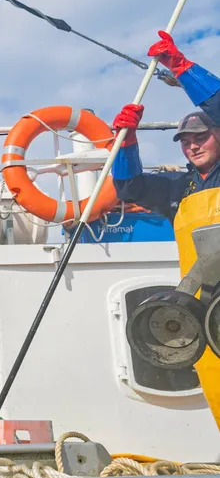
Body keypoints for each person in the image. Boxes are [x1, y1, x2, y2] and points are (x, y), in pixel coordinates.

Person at [110, 30, 220, 433]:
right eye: (185, 141)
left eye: (201, 136)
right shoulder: (181, 187)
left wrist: (183, 68)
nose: (192, 146)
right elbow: (130, 188)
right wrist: (127, 143)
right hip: (205, 323)